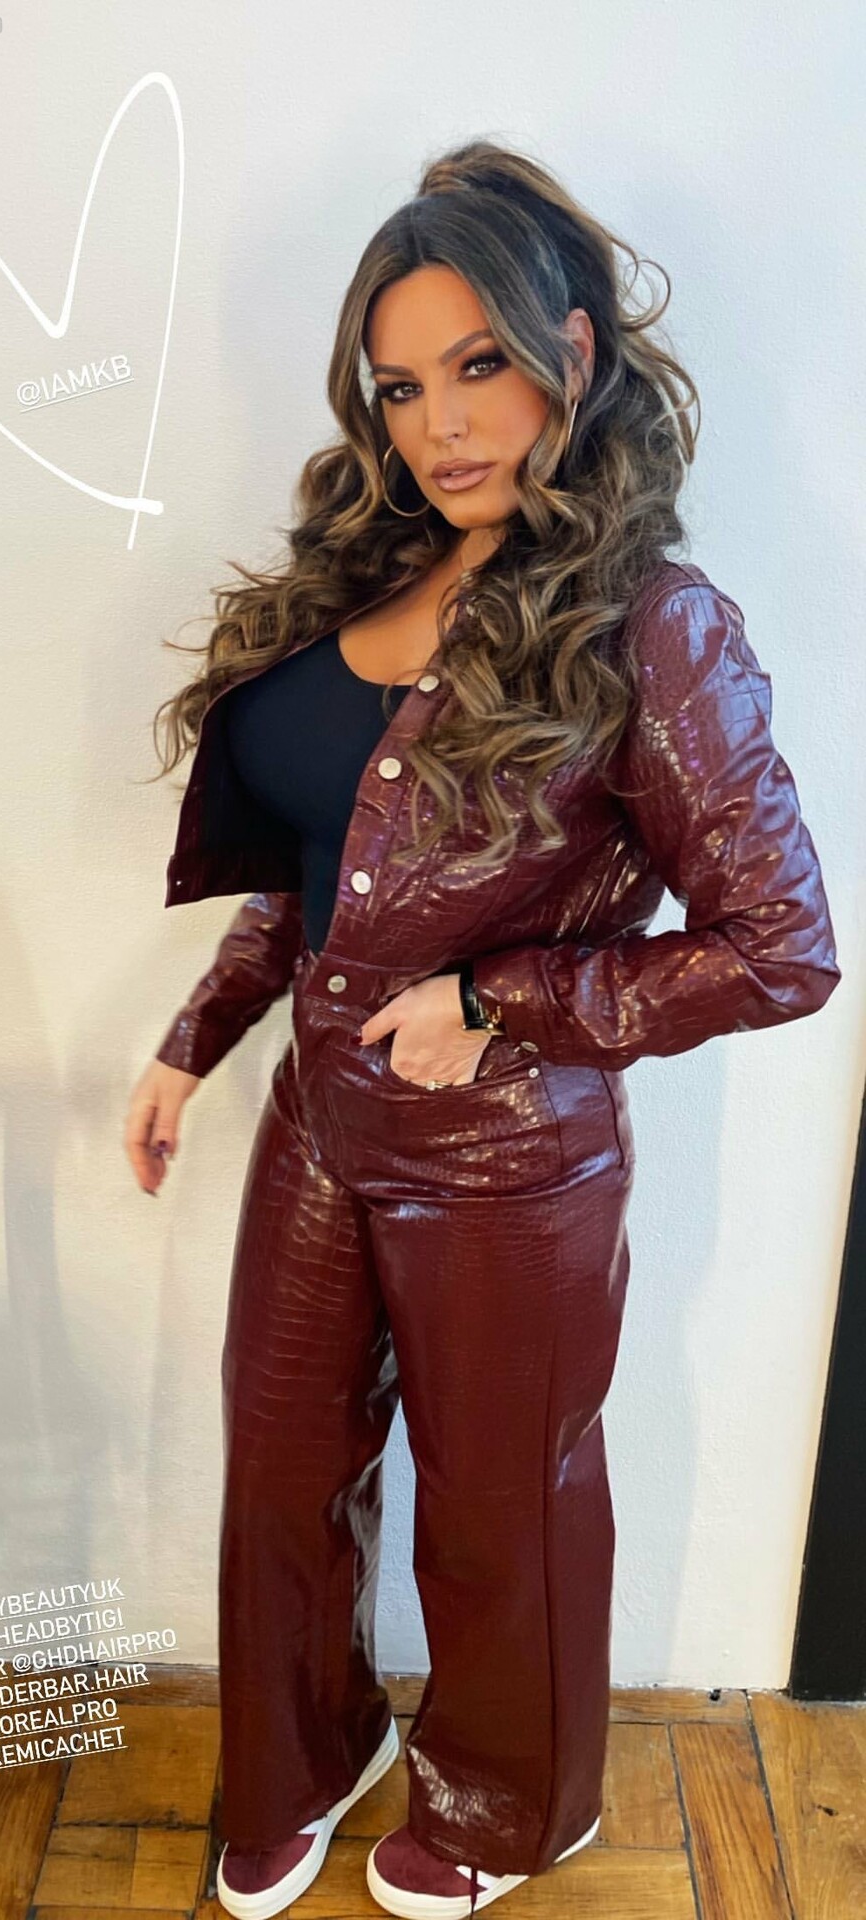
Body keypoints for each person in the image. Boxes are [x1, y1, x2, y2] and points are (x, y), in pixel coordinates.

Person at [125, 141, 841, 1920]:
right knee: (280, 1469)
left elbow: (784, 949)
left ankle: (524, 1805)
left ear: (571, 355)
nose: (439, 423)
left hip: (509, 1156)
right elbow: (327, 877)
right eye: (399, 385)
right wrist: (198, 1036)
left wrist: (500, 997)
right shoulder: (368, 582)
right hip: (322, 1119)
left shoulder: (658, 629)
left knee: (497, 1504)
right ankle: (308, 1750)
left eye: (478, 365)